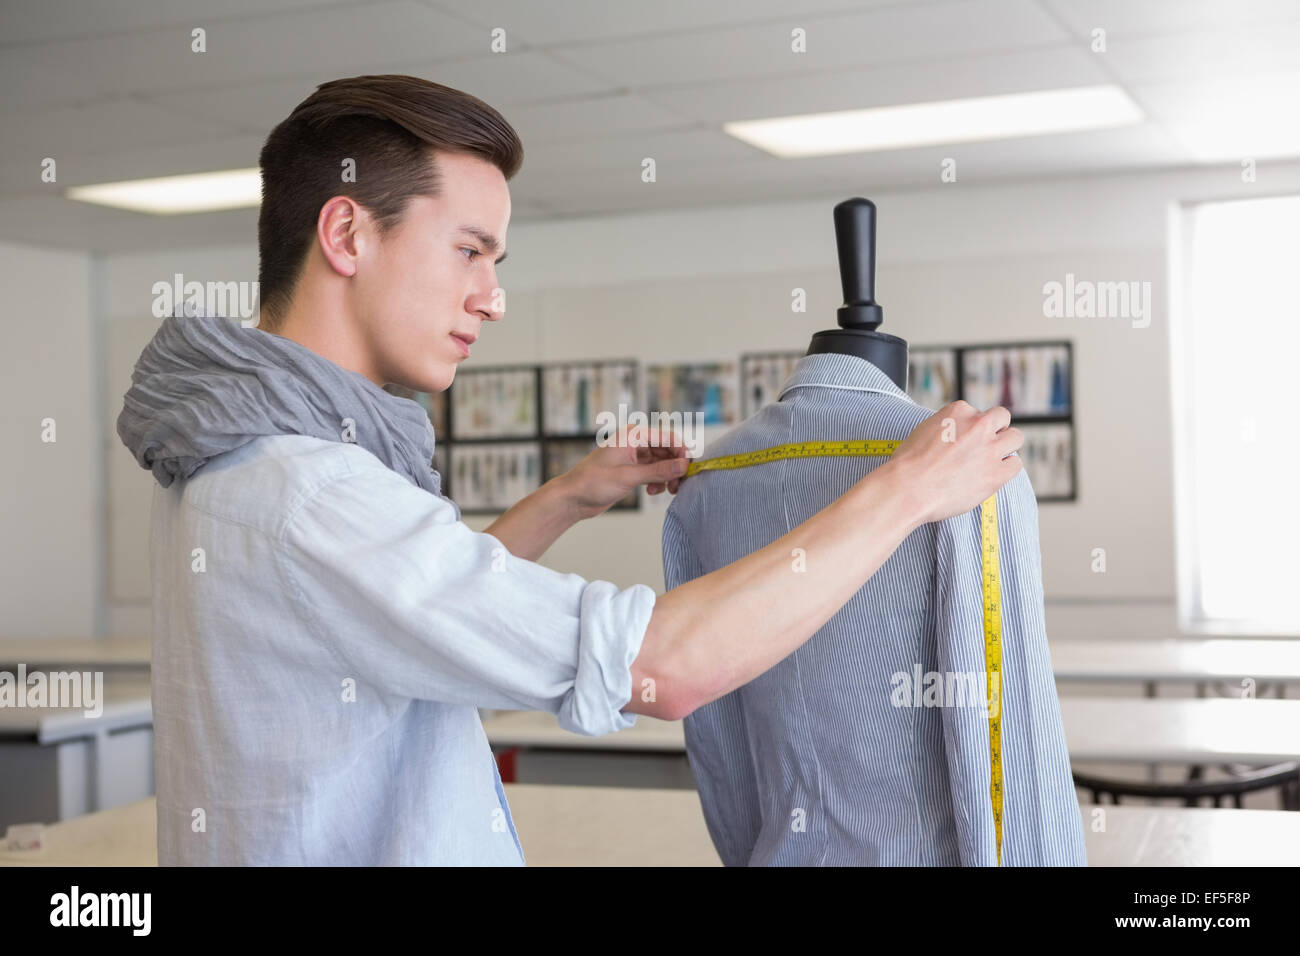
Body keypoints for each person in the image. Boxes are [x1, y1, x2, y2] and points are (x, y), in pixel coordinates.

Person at [116, 74, 1024, 865]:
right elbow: (662, 666)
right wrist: (907, 492)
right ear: (348, 235)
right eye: (469, 250)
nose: (492, 298)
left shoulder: (243, 454)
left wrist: (568, 498)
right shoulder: (308, 492)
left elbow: (414, 610)